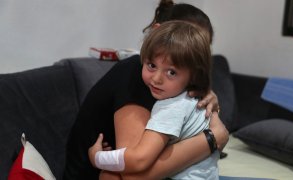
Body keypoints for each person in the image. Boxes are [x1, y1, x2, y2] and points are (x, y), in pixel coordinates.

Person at [63, 1, 229, 179]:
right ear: (157, 33)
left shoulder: (181, 91)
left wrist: (210, 103)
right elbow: (134, 176)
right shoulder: (136, 76)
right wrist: (212, 138)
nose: (157, 77)